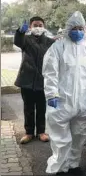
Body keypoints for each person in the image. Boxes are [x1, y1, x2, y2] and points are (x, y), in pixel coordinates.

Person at [42, 11, 86, 175]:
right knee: (61, 138)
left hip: (81, 101)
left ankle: (73, 165)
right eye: (74, 28)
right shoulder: (57, 48)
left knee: (79, 135)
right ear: (68, 29)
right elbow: (50, 73)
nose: (78, 31)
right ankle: (60, 167)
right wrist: (51, 94)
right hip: (61, 101)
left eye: (81, 28)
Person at [14, 16, 54, 144]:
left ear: (44, 27)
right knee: (28, 108)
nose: (38, 27)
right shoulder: (25, 40)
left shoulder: (49, 42)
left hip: (43, 80)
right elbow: (17, 41)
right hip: (27, 80)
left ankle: (41, 132)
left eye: (40, 25)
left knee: (42, 108)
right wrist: (20, 31)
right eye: (35, 25)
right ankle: (29, 133)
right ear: (30, 27)